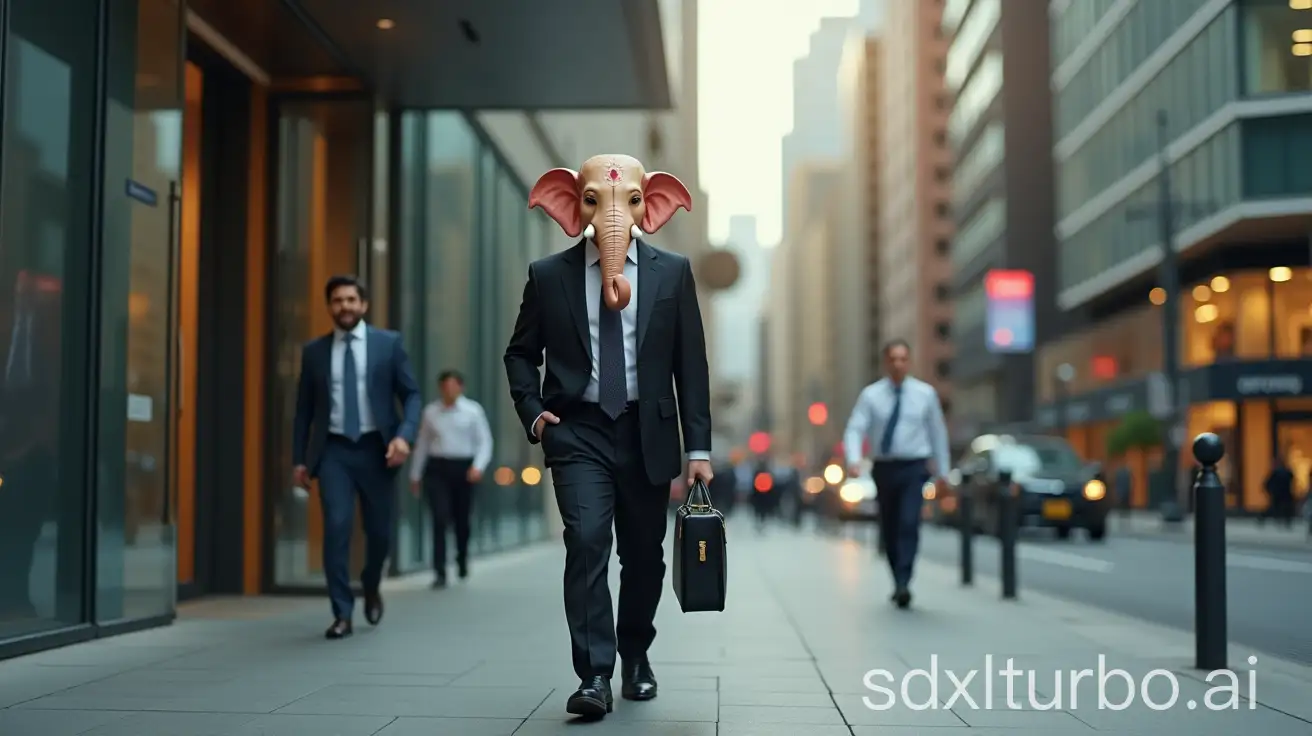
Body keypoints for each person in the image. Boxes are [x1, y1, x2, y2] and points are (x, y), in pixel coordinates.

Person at [505, 157, 711, 719]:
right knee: (587, 540)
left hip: (648, 431)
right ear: (575, 205)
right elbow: (520, 354)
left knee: (643, 556)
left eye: (629, 201)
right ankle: (594, 673)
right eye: (595, 200)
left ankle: (635, 655)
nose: (614, 214)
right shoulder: (549, 276)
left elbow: (689, 364)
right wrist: (534, 412)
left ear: (651, 204)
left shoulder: (673, 273)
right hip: (578, 432)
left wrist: (698, 450)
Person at [292, 275, 421, 639]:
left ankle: (370, 582)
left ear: (363, 305)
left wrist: (403, 437)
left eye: (351, 299)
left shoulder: (388, 344)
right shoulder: (314, 352)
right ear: (329, 306)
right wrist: (299, 460)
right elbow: (303, 411)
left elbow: (411, 395)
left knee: (379, 533)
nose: (344, 306)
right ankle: (342, 613)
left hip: (377, 450)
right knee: (336, 526)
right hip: (333, 451)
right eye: (337, 300)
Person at [842, 338, 950, 609]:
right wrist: (854, 459)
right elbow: (856, 428)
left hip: (915, 466)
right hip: (885, 467)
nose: (898, 364)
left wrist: (943, 474)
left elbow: (938, 434)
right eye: (893, 359)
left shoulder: (925, 394)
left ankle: (905, 580)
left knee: (908, 521)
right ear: (886, 362)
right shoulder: (871, 396)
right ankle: (897, 577)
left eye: (903, 358)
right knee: (889, 525)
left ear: (909, 361)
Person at [409, 370, 493, 587]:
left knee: (462, 519)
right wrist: (415, 474)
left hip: (464, 469)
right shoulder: (431, 412)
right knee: (439, 517)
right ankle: (439, 570)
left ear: (461, 388)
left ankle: (462, 558)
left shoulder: (473, 411)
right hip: (437, 468)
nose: (449, 391)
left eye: (453, 386)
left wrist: (478, 467)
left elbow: (485, 442)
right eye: (445, 387)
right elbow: (422, 444)